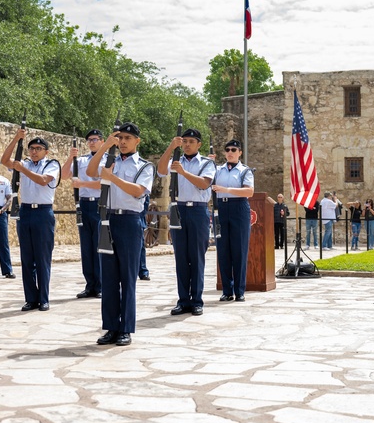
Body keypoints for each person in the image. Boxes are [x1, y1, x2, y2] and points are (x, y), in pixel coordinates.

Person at [86, 122, 155, 346]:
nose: (123, 142)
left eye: (128, 138)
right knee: (109, 278)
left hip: (129, 221)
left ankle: (125, 328)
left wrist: (112, 177)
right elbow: (89, 171)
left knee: (127, 277)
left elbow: (138, 192)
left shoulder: (145, 166)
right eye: (120, 138)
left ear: (137, 141)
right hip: (108, 219)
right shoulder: (110, 159)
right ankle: (111, 327)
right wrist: (106, 144)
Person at [158, 128, 216, 316]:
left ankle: (196, 300)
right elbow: (160, 170)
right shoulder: (176, 160)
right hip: (179, 209)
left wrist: (182, 173)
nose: (187, 144)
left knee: (196, 257)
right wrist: (171, 147)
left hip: (198, 210)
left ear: (199, 144)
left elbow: (204, 184)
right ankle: (183, 300)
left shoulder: (207, 163)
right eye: (185, 141)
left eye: (191, 141)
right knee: (181, 257)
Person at [1, 132, 59, 312]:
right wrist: (16, 139)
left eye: (38, 149)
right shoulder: (23, 163)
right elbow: (5, 160)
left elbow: (43, 181)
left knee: (42, 257)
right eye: (32, 148)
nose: (34, 152)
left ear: (46, 152)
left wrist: (23, 170)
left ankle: (43, 298)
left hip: (43, 212)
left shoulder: (51, 165)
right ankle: (30, 298)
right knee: (27, 258)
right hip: (26, 211)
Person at [61, 129, 106, 298]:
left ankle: (101, 284)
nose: (92, 142)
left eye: (95, 139)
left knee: (99, 246)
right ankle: (90, 285)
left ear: (102, 141)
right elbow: (65, 175)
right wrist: (69, 157)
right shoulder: (81, 160)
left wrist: (83, 184)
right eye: (89, 140)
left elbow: (105, 184)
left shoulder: (107, 159)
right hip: (84, 205)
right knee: (86, 247)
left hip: (100, 205)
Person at [213, 139, 254, 301]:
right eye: (227, 149)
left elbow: (249, 192)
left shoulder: (245, 171)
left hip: (239, 208)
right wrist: (209, 163)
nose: (230, 152)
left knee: (239, 250)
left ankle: (240, 290)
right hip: (221, 208)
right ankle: (227, 290)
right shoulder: (218, 170)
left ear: (240, 153)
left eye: (233, 150)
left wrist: (226, 189)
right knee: (223, 250)